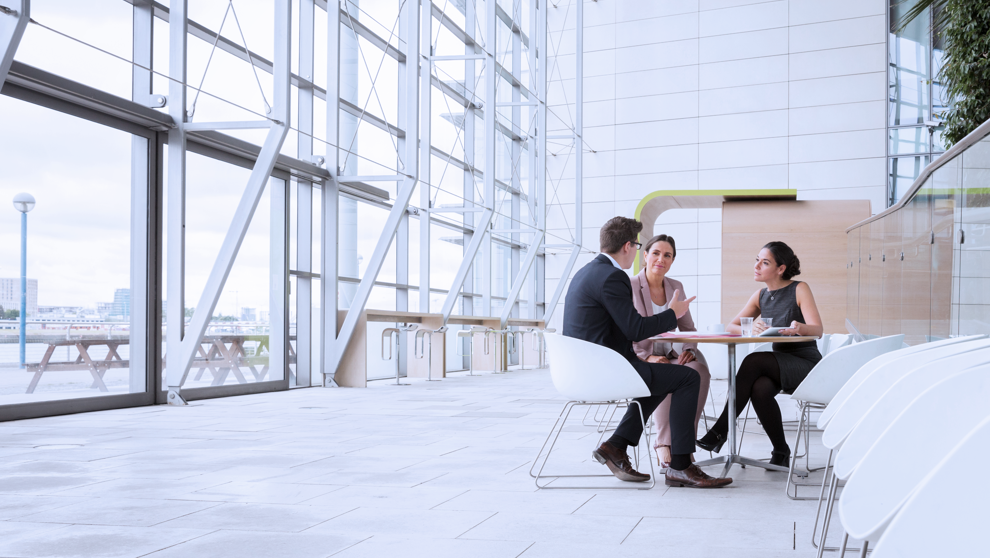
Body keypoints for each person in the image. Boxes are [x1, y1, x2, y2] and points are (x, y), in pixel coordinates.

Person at [563, 217, 732, 488]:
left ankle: (616, 446)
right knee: (687, 378)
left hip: (585, 368)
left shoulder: (587, 271)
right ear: (630, 246)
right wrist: (672, 314)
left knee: (664, 378)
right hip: (604, 370)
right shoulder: (614, 276)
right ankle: (680, 465)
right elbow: (635, 329)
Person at [697, 241, 824, 466]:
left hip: (805, 363)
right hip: (781, 363)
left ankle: (720, 431)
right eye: (757, 260)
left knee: (753, 360)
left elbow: (817, 330)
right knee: (760, 389)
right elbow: (732, 326)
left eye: (764, 262)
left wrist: (799, 327)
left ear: (781, 268)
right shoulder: (760, 296)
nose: (757, 266)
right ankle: (781, 452)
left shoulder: (799, 288)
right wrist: (750, 328)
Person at [629, 235, 711, 468]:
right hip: (643, 355)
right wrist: (647, 356)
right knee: (663, 370)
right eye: (655, 253)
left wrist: (688, 349)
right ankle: (664, 444)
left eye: (667, 255)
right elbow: (626, 329)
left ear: (672, 260)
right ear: (645, 256)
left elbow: (688, 328)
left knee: (699, 371)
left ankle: (684, 443)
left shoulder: (676, 287)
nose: (660, 259)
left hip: (674, 352)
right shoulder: (631, 285)